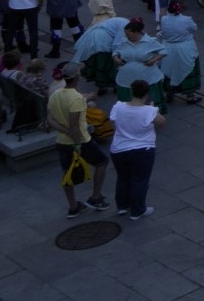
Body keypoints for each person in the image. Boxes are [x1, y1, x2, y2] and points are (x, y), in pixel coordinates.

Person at [47, 62, 111, 217]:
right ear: (77, 77)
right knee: (102, 162)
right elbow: (74, 125)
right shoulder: (76, 98)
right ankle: (96, 197)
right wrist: (77, 144)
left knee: (67, 173)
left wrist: (65, 131)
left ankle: (73, 206)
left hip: (61, 141)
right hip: (80, 140)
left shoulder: (56, 94)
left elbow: (50, 119)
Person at [109, 76, 164, 219]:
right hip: (142, 150)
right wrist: (155, 110)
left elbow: (114, 123)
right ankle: (137, 210)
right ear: (146, 94)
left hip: (118, 149)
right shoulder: (149, 111)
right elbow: (162, 123)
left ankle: (122, 206)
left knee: (123, 177)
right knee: (140, 180)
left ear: (132, 92)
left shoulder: (118, 106)